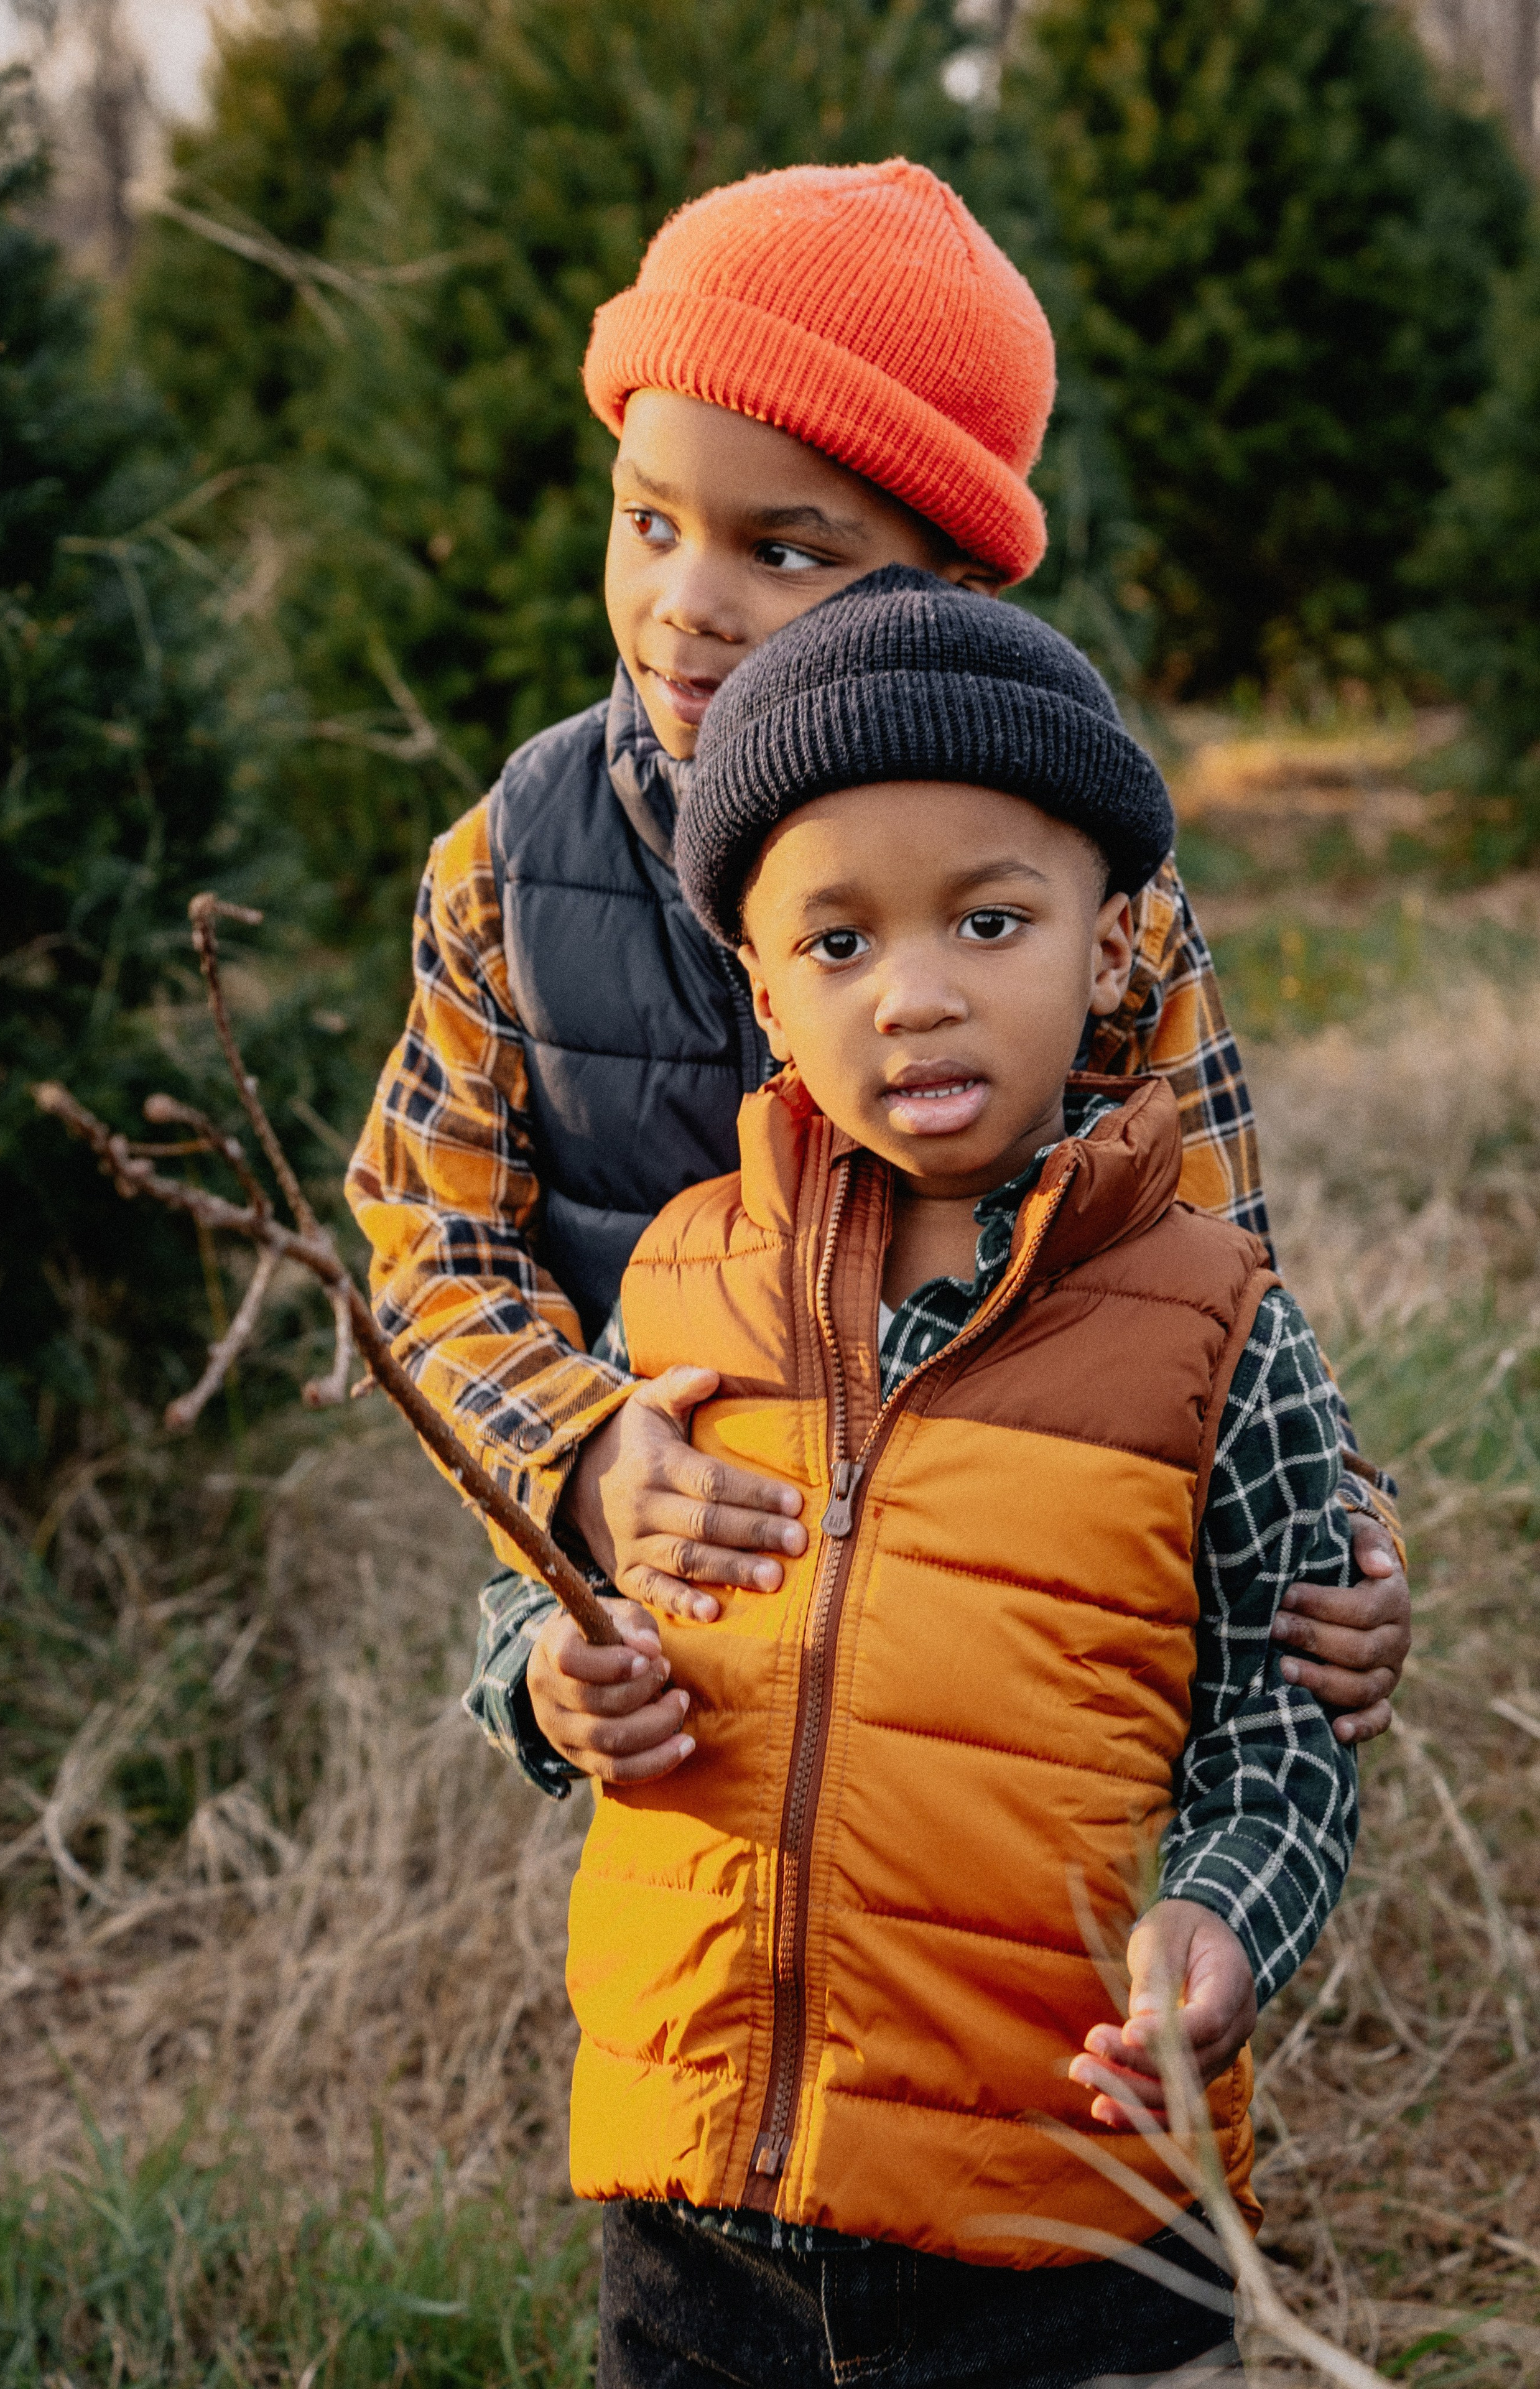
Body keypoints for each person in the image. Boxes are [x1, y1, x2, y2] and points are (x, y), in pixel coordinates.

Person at [346, 159, 1408, 1790]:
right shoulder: (513, 860)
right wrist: (581, 1454)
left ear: (948, 586)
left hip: (1012, 1582)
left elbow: (1214, 1249)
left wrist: (1330, 1513)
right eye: (649, 520)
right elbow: (429, 1245)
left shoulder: (1065, 874)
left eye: (781, 552)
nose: (685, 605)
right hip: (685, 1578)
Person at [526, 566, 1360, 2385]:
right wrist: (552, 1674)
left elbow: (1286, 1719)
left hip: (1066, 2224)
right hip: (696, 2224)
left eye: (989, 923)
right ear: (760, 982)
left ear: (1115, 943)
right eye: (840, 944)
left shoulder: (1211, 1325)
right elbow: (543, 1587)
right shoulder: (676, 1280)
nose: (914, 997)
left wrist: (1225, 1913)